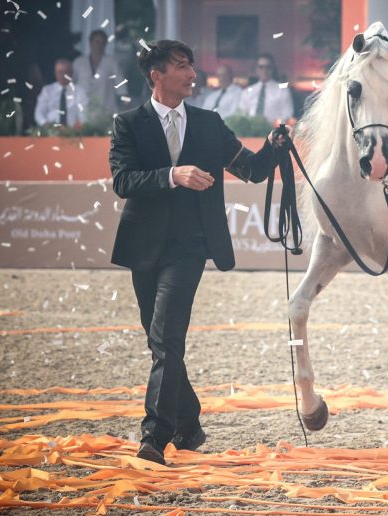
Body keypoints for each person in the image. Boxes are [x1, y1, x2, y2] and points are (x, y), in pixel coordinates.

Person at [109, 39, 287, 466]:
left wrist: (274, 146)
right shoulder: (128, 123)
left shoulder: (210, 123)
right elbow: (122, 182)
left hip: (190, 248)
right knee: (160, 342)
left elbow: (253, 170)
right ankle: (190, 424)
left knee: (167, 337)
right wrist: (174, 175)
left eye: (192, 66)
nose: (193, 74)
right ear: (157, 76)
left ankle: (154, 437)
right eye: (183, 66)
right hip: (143, 246)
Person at [73, 29, 128, 122]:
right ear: (90, 43)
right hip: (83, 111)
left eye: (103, 43)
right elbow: (71, 86)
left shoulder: (111, 62)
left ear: (106, 44)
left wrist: (126, 106)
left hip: (106, 110)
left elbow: (121, 85)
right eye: (97, 42)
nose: (99, 45)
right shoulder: (79, 62)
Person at [238, 53, 294, 123]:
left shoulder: (282, 90)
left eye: (268, 67)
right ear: (256, 69)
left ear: (272, 69)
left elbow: (287, 114)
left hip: (273, 130)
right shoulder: (247, 91)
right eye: (261, 67)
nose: (264, 70)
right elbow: (241, 114)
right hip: (249, 131)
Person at [34, 58, 88, 127]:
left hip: (72, 132)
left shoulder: (80, 92)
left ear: (71, 73)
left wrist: (79, 124)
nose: (62, 75)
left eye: (66, 72)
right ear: (55, 73)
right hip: (50, 132)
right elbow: (38, 113)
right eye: (59, 72)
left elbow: (83, 113)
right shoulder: (47, 90)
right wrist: (45, 124)